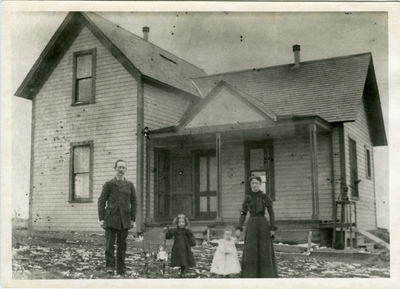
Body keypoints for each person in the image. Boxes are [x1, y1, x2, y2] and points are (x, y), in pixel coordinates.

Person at [98, 159, 137, 275]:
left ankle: (121, 268)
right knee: (109, 244)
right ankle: (110, 267)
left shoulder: (129, 185)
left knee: (122, 245)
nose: (121, 170)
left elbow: (134, 202)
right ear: (115, 168)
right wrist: (101, 218)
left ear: (126, 170)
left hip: (124, 220)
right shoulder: (109, 184)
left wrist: (132, 218)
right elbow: (101, 201)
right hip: (110, 219)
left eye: (123, 168)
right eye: (119, 167)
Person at [235, 176, 278, 278]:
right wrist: (239, 227)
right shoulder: (248, 198)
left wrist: (272, 228)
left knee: (264, 247)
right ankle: (251, 274)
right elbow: (243, 212)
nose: (255, 185)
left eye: (256, 183)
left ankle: (266, 274)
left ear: (260, 184)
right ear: (250, 185)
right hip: (252, 224)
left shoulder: (264, 197)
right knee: (251, 247)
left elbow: (271, 213)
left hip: (263, 224)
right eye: (253, 183)